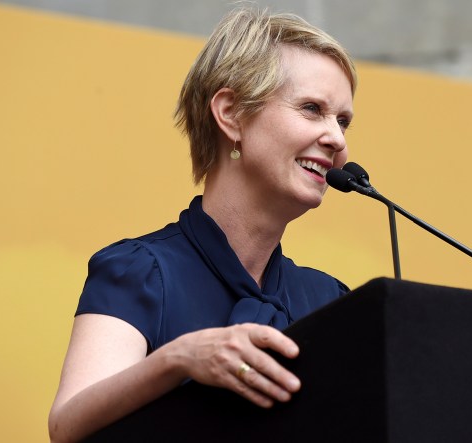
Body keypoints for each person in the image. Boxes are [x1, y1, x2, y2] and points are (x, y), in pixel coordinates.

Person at [48, 6, 357, 443]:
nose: (338, 139)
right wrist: (180, 358)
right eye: (312, 109)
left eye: (343, 120)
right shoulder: (141, 271)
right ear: (230, 114)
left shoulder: (329, 300)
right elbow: (66, 426)